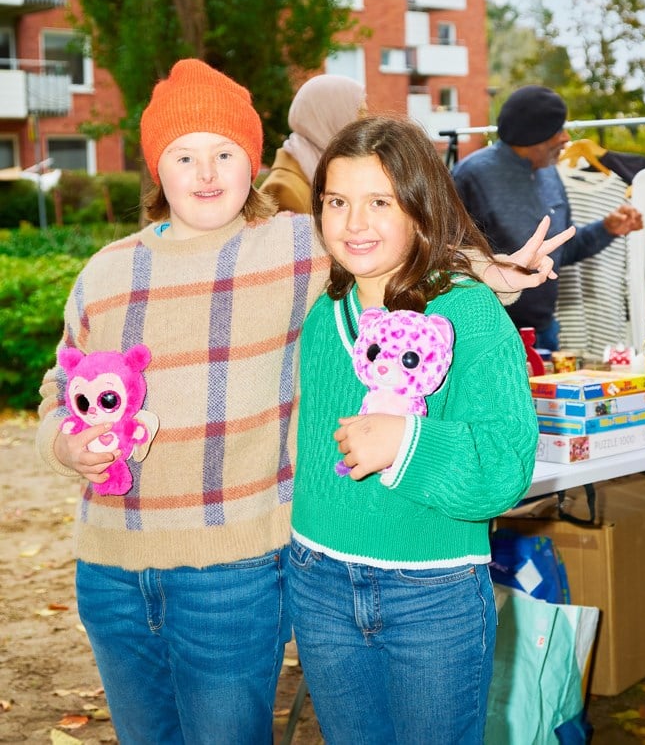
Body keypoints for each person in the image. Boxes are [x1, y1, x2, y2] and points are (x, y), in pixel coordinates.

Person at [33, 60, 570, 744]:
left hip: (240, 572)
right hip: (118, 566)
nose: (204, 172)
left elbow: (393, 238)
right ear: (154, 167)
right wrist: (63, 441)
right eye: (184, 154)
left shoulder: (293, 251)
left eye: (224, 153)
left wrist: (482, 269)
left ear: (252, 163)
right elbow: (60, 385)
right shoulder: (107, 271)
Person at [286, 115, 539, 744]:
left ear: (421, 211)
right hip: (318, 583)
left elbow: (505, 468)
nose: (354, 224)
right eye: (337, 202)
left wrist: (408, 444)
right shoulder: (324, 316)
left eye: (380, 202)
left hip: (433, 594)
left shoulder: (468, 313)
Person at [452, 84, 643, 351]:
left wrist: (607, 228)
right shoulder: (470, 176)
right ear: (532, 135)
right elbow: (451, 260)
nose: (566, 138)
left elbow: (562, 251)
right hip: (492, 336)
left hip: (546, 332)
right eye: (557, 130)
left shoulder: (550, 174)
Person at [260, 73, 366, 214]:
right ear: (329, 118)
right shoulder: (285, 189)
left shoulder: (322, 173)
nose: (365, 124)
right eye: (360, 114)